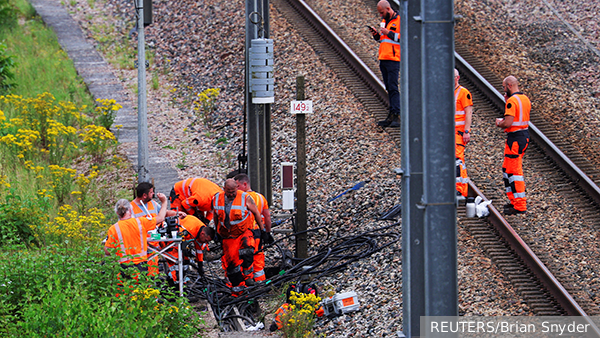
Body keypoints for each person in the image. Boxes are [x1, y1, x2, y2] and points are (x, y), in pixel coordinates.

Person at [212, 179, 264, 292]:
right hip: (228, 235)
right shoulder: (216, 199)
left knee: (248, 249)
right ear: (224, 189)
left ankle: (248, 277)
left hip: (243, 231)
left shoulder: (245, 197)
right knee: (231, 261)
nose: (231, 194)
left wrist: (263, 230)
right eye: (228, 192)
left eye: (233, 191)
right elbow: (216, 216)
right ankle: (237, 285)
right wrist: (217, 231)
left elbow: (256, 212)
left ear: (237, 188)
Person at [104, 194, 168, 273]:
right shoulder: (141, 222)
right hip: (141, 265)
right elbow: (160, 218)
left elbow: (107, 251)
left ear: (117, 212)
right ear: (130, 210)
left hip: (123, 267)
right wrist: (164, 202)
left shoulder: (113, 229)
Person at [496, 75, 530, 215]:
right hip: (523, 136)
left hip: (514, 139)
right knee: (507, 168)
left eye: (504, 87)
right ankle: (514, 201)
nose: (503, 89)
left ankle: (519, 205)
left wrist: (499, 123)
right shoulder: (524, 99)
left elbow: (508, 122)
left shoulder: (512, 102)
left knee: (514, 171)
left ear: (509, 86)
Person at [234, 173, 273, 282]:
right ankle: (260, 285)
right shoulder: (261, 198)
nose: (236, 189)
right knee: (258, 260)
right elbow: (267, 217)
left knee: (244, 260)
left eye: (237, 186)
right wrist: (267, 232)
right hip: (258, 234)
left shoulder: (240, 198)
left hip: (244, 235)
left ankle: (246, 284)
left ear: (244, 184)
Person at [369, 0, 401, 128]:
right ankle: (392, 114)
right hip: (384, 57)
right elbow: (383, 40)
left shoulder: (399, 20)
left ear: (388, 9)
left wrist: (389, 33)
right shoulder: (385, 21)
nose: (381, 15)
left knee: (393, 87)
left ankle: (396, 115)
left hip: (393, 59)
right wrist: (376, 35)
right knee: (389, 87)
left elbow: (404, 37)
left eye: (382, 13)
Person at [164, 214, 215, 283]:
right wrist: (183, 249)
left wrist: (200, 265)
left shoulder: (201, 233)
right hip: (170, 239)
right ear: (202, 234)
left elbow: (199, 249)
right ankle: (174, 281)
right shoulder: (190, 228)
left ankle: (180, 280)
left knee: (186, 261)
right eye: (206, 240)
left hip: (180, 240)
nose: (205, 242)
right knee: (175, 262)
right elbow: (176, 238)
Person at [454, 69, 474, 200]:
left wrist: (467, 131)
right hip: (448, 132)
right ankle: (454, 188)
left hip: (458, 132)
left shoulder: (463, 93)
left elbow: (468, 113)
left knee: (458, 160)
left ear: (457, 78)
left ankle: (460, 190)